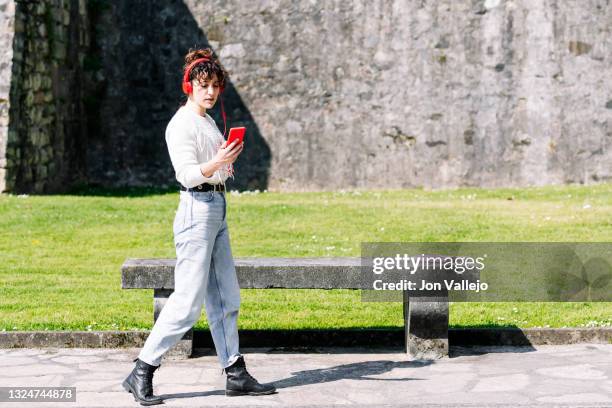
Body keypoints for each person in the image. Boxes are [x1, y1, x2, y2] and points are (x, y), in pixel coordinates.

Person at [122, 48, 276, 406]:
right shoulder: (180, 124)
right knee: (189, 301)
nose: (210, 92)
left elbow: (210, 168)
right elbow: (187, 175)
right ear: (188, 85)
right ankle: (142, 370)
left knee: (226, 295)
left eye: (215, 86)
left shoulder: (206, 120)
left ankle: (234, 372)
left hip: (216, 208)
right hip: (196, 210)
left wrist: (225, 165)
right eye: (203, 85)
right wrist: (215, 163)